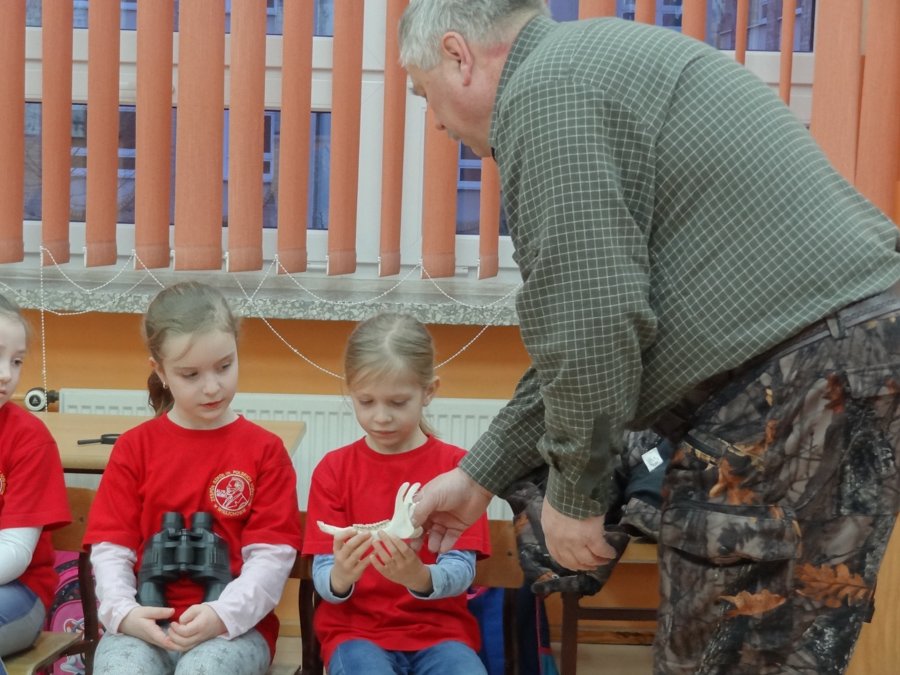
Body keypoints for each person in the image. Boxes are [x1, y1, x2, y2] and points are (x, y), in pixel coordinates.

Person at [398, 2, 900, 673]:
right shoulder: (593, 62)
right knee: (778, 653)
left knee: (727, 658)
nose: (435, 121)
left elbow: (593, 327)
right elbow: (586, 335)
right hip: (849, 355)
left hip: (801, 374)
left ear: (458, 55)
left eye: (423, 92)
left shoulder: (544, 95)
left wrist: (575, 497)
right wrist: (476, 477)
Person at [83, 281, 302, 675]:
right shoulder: (134, 448)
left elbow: (272, 558)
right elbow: (111, 549)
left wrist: (222, 614)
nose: (212, 386)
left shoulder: (265, 451)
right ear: (161, 371)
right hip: (144, 623)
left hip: (233, 629)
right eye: (191, 374)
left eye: (225, 366)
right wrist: (125, 613)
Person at [302, 312, 491, 675]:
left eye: (398, 402)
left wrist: (419, 577)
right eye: (366, 402)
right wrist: (341, 576)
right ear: (350, 392)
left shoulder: (458, 470)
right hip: (354, 634)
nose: (381, 417)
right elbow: (324, 577)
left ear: (429, 391)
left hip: (441, 635)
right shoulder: (333, 470)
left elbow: (462, 570)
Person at [0, 294, 71, 673]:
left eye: (16, 361)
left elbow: (15, 553)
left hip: (18, 592)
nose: (6, 374)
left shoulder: (29, 438)